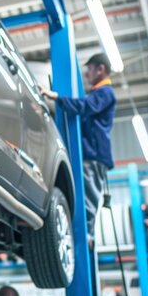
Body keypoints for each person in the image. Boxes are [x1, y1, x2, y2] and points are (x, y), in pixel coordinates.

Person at [38, 53, 116, 242]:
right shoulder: (99, 93)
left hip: (95, 154)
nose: (87, 74)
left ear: (101, 69)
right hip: (90, 153)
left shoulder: (105, 93)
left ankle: (87, 235)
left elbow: (84, 107)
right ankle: (84, 233)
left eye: (90, 69)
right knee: (85, 194)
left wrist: (57, 97)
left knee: (89, 196)